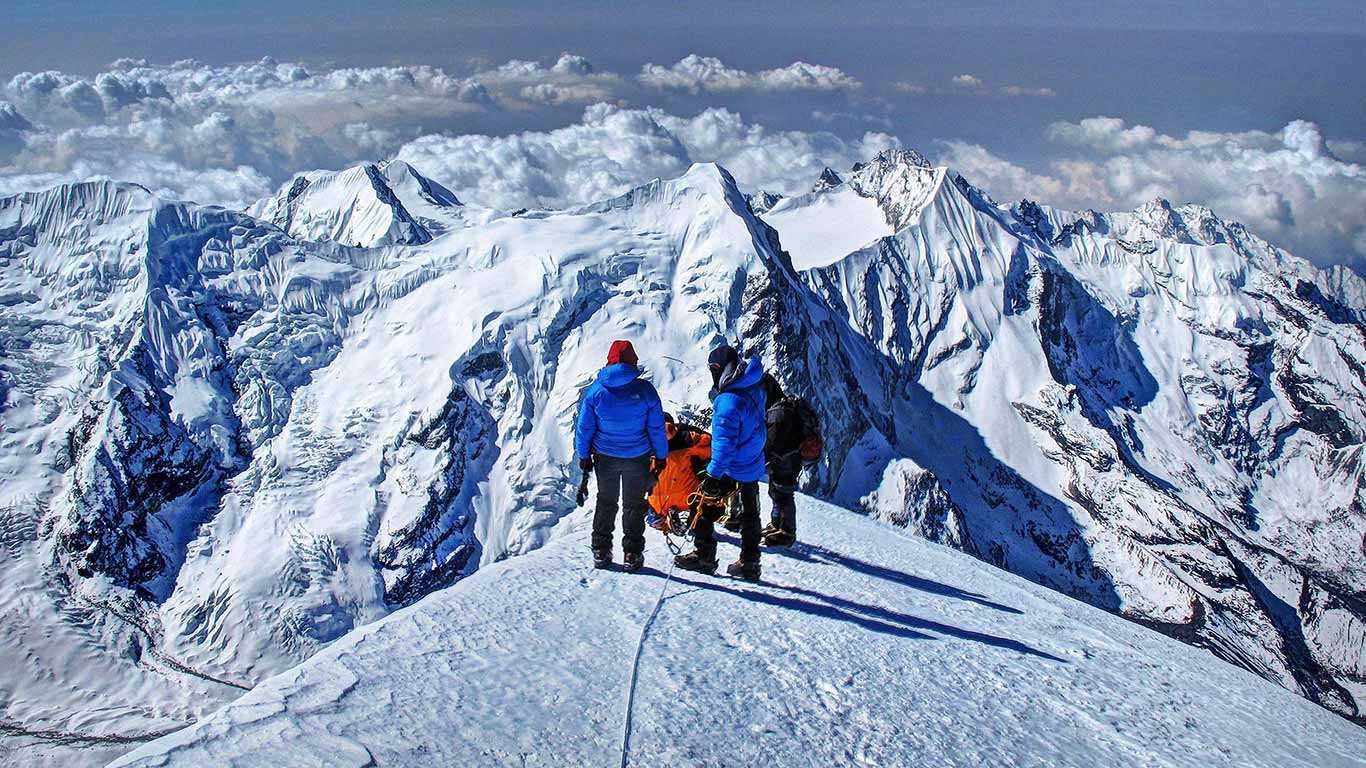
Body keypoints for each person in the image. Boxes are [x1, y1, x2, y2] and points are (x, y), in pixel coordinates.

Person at [675, 344, 768, 581]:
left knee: (703, 504)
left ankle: (704, 555)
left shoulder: (727, 402)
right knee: (750, 513)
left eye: (714, 369)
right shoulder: (753, 384)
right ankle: (750, 562)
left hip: (733, 464)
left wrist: (712, 475)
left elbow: (724, 446)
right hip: (753, 458)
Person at [575, 340, 668, 572]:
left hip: (605, 457)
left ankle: (601, 550)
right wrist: (661, 455)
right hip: (637, 456)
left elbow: (585, 427)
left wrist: (583, 454)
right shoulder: (645, 391)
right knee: (634, 505)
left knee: (606, 501)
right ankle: (632, 554)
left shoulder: (596, 391)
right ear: (632, 361)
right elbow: (656, 427)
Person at [645, 413, 711, 535]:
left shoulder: (646, 445)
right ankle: (688, 519)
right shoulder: (687, 440)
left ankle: (659, 518)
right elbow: (711, 447)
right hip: (687, 496)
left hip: (658, 500)